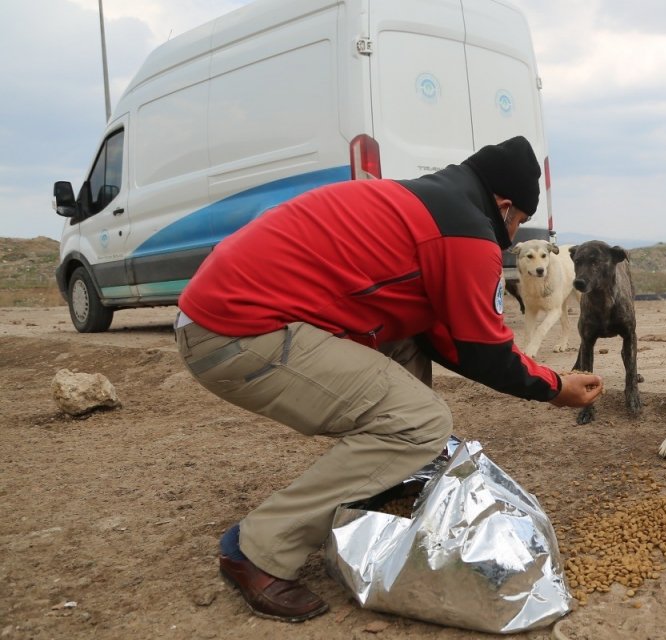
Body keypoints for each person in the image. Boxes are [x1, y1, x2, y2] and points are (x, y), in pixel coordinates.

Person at [174, 136, 603, 623]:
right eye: (519, 222)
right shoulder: (465, 231)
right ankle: (257, 550)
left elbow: (444, 337)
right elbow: (483, 350)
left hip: (224, 315)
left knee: (408, 347)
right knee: (420, 422)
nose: (514, 233)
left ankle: (386, 495)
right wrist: (554, 387)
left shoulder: (430, 202)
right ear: (504, 206)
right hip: (233, 333)